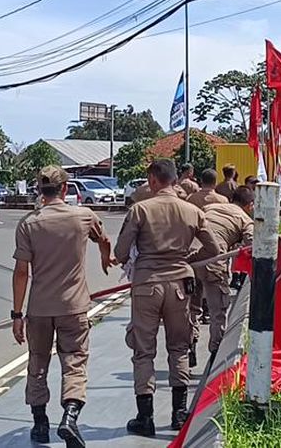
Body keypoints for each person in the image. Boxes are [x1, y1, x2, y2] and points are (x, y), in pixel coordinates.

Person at [12, 166, 115, 448]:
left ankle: (39, 423)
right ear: (66, 189)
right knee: (74, 362)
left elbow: (22, 272)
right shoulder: (83, 217)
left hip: (39, 309)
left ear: (39, 191)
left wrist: (17, 315)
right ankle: (69, 417)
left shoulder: (29, 223)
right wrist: (105, 258)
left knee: (38, 363)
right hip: (74, 307)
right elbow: (104, 240)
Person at [115, 159, 204, 436]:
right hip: (180, 285)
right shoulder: (192, 211)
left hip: (146, 286)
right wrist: (186, 258)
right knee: (178, 348)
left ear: (153, 180)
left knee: (144, 351)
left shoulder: (140, 210)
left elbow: (120, 253)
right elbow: (212, 247)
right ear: (175, 180)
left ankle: (146, 417)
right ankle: (179, 414)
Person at [191, 187, 255, 358]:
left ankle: (190, 344)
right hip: (214, 263)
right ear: (250, 205)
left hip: (191, 260)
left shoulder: (211, 208)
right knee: (217, 311)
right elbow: (253, 245)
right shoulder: (244, 219)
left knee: (191, 308)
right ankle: (215, 351)